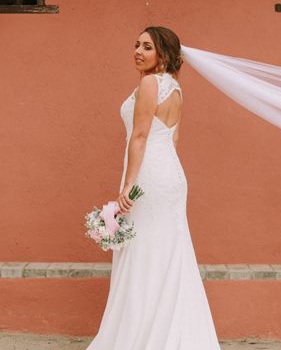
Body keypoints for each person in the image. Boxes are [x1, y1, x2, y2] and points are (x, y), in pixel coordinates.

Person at [86, 26, 221, 349]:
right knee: (166, 254)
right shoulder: (175, 88)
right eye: (136, 45)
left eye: (147, 47)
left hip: (148, 178)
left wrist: (129, 184)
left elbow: (141, 135)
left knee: (145, 253)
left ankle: (141, 337)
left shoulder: (150, 83)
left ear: (163, 54)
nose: (138, 51)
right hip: (170, 176)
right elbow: (173, 138)